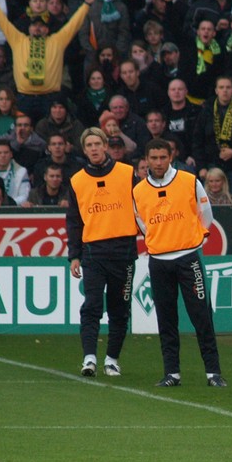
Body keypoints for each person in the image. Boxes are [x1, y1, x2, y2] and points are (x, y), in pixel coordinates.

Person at [133, 138, 227, 388]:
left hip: (188, 258)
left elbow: (206, 216)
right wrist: (159, 240)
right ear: (146, 160)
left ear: (171, 156)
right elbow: (142, 223)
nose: (158, 162)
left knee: (201, 316)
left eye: (163, 157)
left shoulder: (189, 181)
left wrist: (192, 241)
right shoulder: (139, 190)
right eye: (154, 158)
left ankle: (213, 372)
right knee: (166, 318)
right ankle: (172, 373)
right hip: (158, 260)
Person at [66, 127, 139, 377]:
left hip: (124, 252)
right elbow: (74, 220)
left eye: (98, 144)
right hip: (93, 253)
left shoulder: (127, 173)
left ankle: (111, 359)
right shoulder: (77, 181)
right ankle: (89, 358)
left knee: (120, 309)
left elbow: (144, 207)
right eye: (89, 145)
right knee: (92, 306)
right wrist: (74, 255)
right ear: (84, 150)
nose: (94, 149)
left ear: (106, 145)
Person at [0, 0, 96, 122]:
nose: (37, 29)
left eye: (41, 26)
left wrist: (86, 5)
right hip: (24, 98)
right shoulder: (18, 40)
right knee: (22, 134)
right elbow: (2, 22)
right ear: (29, 28)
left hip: (50, 98)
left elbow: (74, 24)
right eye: (34, 26)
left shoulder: (57, 41)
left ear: (47, 29)